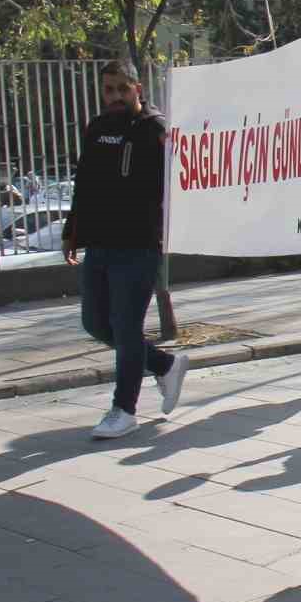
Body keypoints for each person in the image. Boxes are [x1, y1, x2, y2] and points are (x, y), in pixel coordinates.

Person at [62, 59, 189, 439]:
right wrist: (72, 232)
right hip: (100, 244)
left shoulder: (157, 130)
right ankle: (165, 365)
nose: (115, 96)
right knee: (96, 323)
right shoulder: (98, 128)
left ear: (139, 88)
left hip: (139, 247)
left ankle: (124, 409)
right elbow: (84, 184)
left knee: (126, 326)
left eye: (122, 88)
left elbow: (179, 182)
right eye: (109, 89)